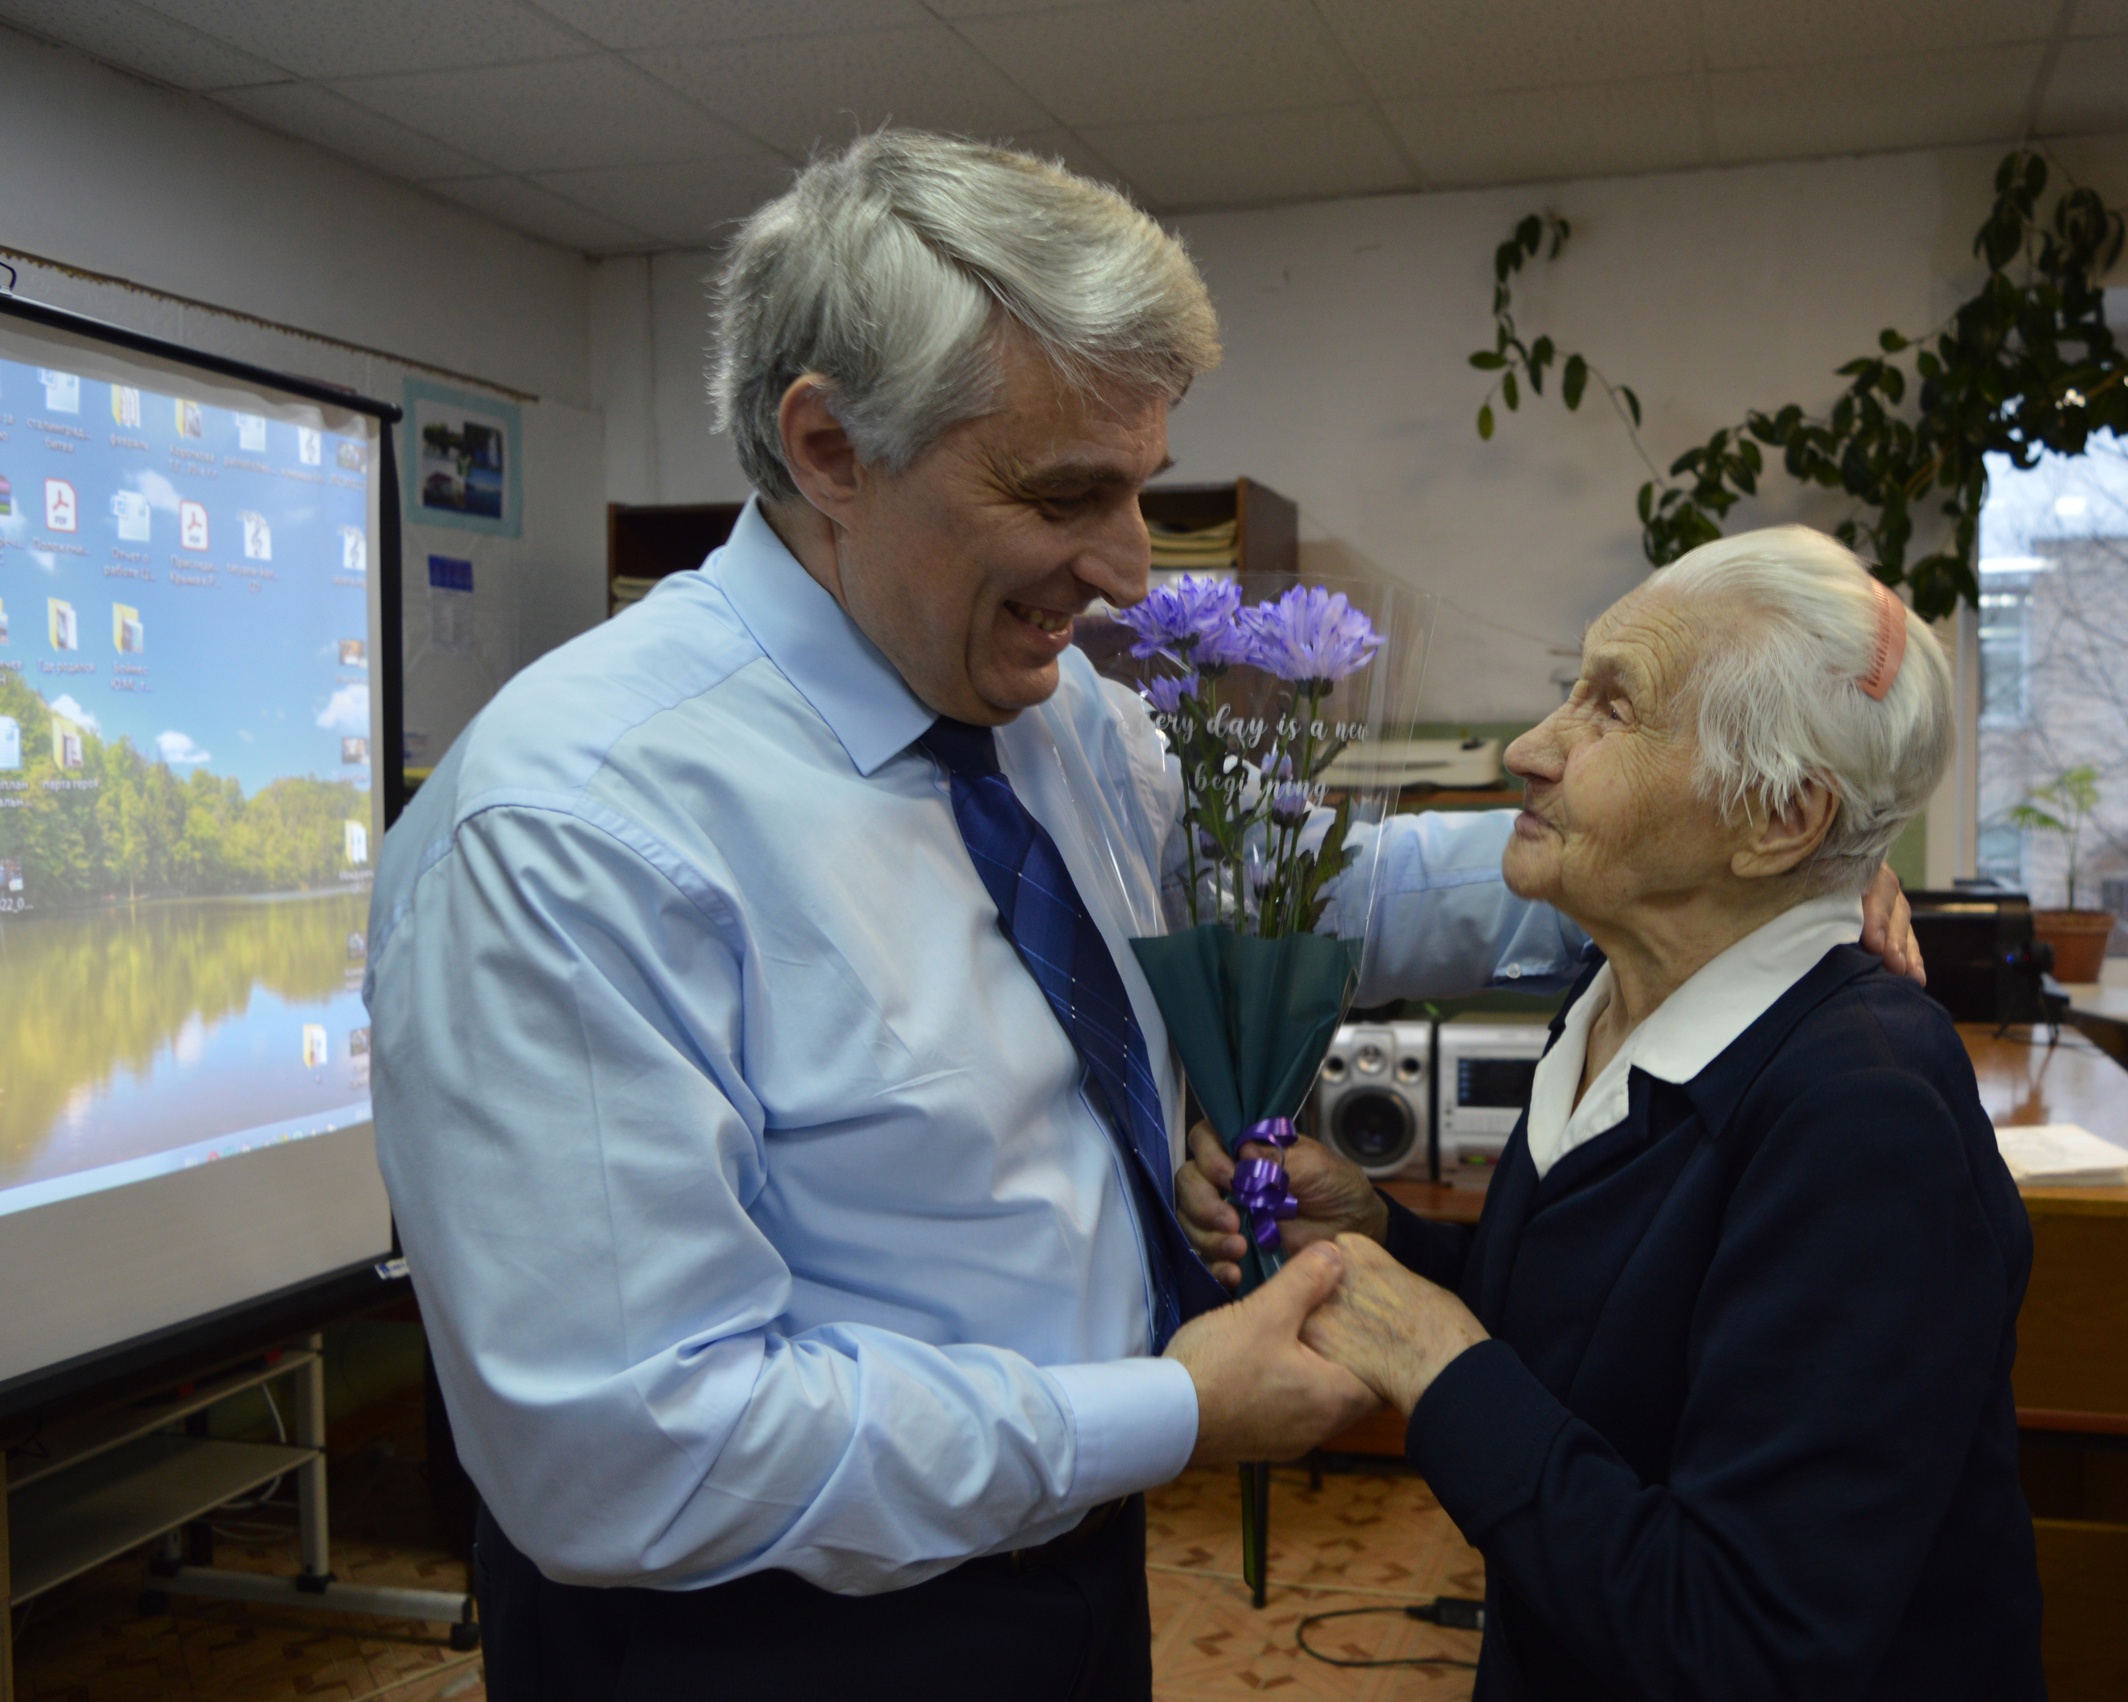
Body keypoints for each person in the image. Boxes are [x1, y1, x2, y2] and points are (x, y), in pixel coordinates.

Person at [366, 134, 1923, 1700]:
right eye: (1067, 494)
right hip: (760, 1635)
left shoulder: (1052, 723)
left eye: (1139, 484)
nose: (1123, 570)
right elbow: (630, 1453)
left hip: (1068, 1576)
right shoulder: (573, 829)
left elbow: (1306, 904)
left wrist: (1732, 870)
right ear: (831, 452)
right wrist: (1170, 1409)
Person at [1183, 527, 2046, 1700]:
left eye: (1612, 709)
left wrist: (1434, 1360)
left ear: (1780, 818)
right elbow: (1603, 1333)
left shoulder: (1863, 1114)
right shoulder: (1615, 998)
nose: (1527, 750)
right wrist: (1383, 1240)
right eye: (1566, 693)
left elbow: (1746, 1643)